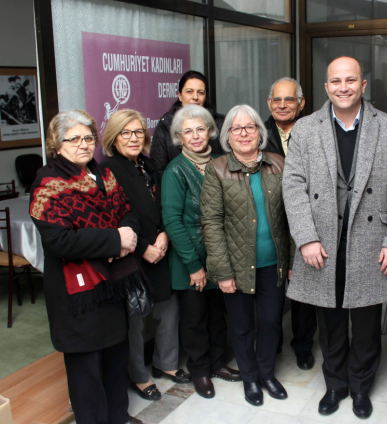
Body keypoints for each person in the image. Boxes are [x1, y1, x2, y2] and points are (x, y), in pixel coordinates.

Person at [282, 56, 387, 419]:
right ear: (326, 87)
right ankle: (335, 384)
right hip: (322, 241)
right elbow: (292, 186)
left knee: (368, 325)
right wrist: (305, 238)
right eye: (336, 81)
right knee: (331, 321)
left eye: (350, 80)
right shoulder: (306, 129)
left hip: (372, 241)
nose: (343, 87)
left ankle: (360, 388)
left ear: (363, 85)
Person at [29, 110, 143, 424]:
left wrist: (126, 234)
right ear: (57, 144)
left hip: (111, 284)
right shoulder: (47, 183)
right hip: (77, 295)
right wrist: (113, 241)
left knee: (115, 359)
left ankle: (117, 416)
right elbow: (60, 241)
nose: (83, 145)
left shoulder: (103, 174)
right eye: (74, 139)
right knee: (87, 371)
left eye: (88, 138)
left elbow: (127, 211)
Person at [200, 104, 293, 407]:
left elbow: (293, 214)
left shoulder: (279, 163)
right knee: (241, 327)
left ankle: (267, 373)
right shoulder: (217, 169)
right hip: (236, 267)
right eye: (236, 128)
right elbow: (211, 223)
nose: (243, 133)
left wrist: (291, 261)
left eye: (249, 127)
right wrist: (222, 272)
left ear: (259, 132)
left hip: (273, 263)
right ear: (227, 135)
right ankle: (250, 379)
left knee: (270, 322)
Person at [101, 109, 190, 402]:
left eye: (138, 132)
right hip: (133, 255)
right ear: (114, 138)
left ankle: (166, 363)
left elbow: (167, 203)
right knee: (135, 321)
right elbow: (115, 217)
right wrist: (143, 248)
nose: (133, 138)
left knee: (168, 310)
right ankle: (139, 376)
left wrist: (165, 234)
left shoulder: (148, 165)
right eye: (125, 132)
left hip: (161, 248)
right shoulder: (108, 171)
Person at [161, 104, 241, 399]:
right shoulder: (175, 170)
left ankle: (218, 362)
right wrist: (194, 265)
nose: (196, 136)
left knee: (219, 314)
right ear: (179, 137)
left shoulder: (223, 161)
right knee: (194, 319)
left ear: (211, 131)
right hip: (189, 259)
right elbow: (172, 221)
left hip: (221, 254)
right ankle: (200, 370)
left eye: (201, 129)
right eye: (188, 131)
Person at [263, 77, 317, 371]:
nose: (283, 105)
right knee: (271, 289)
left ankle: (303, 346)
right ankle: (273, 345)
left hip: (304, 220)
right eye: (277, 100)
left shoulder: (315, 131)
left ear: (301, 103)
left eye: (289, 99)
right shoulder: (258, 134)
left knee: (302, 290)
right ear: (269, 103)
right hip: (269, 223)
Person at [151, 70, 224, 180]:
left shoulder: (219, 123)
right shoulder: (165, 125)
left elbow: (228, 163)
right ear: (179, 95)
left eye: (200, 92)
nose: (195, 97)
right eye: (189, 91)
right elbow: (159, 169)